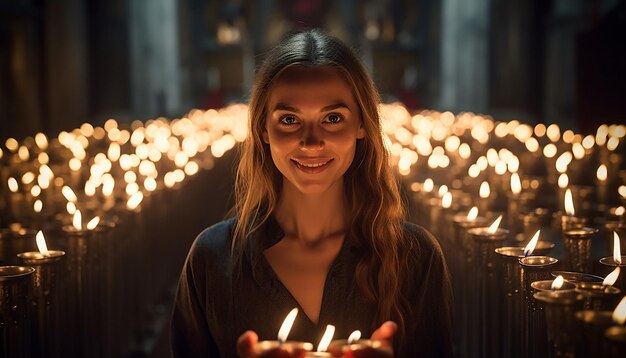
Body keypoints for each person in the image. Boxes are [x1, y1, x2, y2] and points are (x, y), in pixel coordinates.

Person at [170, 29, 453, 357]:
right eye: (289, 119)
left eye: (333, 118)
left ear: (362, 124)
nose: (311, 141)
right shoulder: (212, 258)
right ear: (263, 129)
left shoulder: (417, 258)